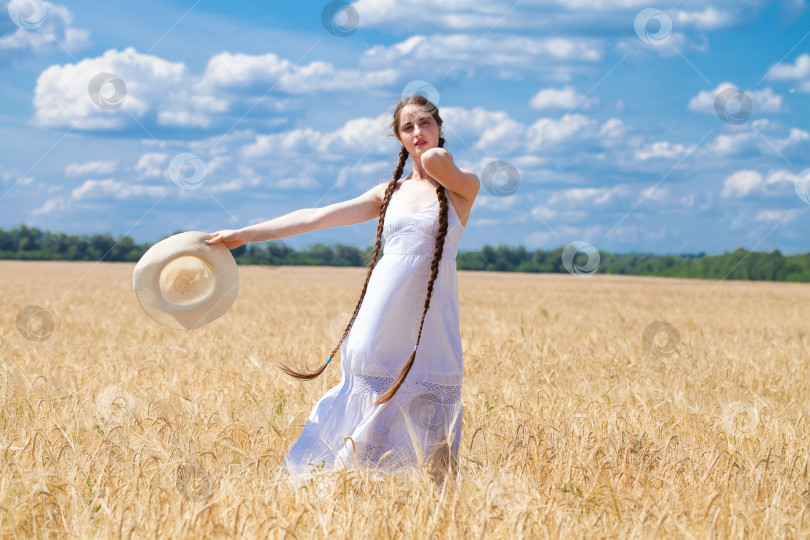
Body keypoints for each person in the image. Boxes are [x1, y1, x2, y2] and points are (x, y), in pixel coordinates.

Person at [205, 94, 479, 480]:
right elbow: (314, 218)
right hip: (381, 317)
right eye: (407, 127)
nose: (418, 133)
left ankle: (421, 495)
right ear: (398, 138)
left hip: (432, 320)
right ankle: (347, 482)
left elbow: (436, 162)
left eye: (426, 124)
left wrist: (434, 156)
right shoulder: (389, 193)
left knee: (428, 399)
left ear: (440, 128)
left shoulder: (462, 189)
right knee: (371, 394)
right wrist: (245, 234)